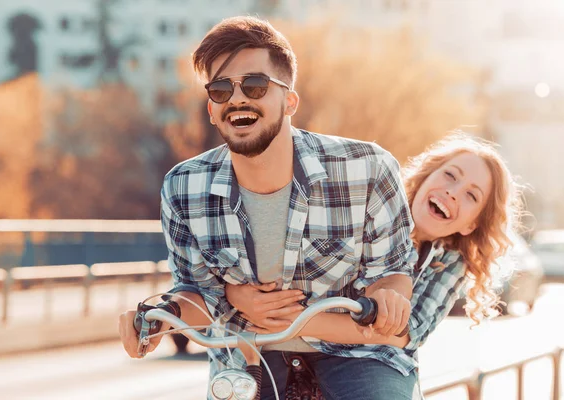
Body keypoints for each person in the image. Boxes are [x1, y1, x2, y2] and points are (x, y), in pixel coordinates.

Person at [118, 15, 420, 399]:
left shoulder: (368, 167)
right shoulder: (182, 186)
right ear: (212, 110)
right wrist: (160, 319)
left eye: (256, 85)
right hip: (249, 354)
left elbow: (392, 272)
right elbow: (197, 291)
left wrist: (389, 298)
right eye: (221, 90)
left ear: (289, 101)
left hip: (357, 353)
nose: (238, 98)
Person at [227, 133, 523, 399]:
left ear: (472, 224)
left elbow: (402, 333)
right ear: (425, 177)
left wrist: (297, 322)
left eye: (472, 195)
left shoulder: (450, 262)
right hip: (281, 343)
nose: (454, 192)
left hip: (371, 357)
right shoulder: (366, 204)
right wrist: (242, 297)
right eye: (449, 175)